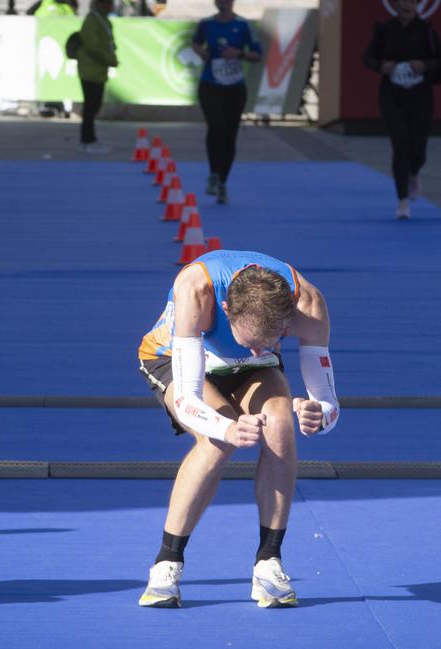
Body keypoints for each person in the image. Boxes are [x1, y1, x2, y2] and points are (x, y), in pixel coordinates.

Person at [136, 250, 339, 609]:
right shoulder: (195, 289)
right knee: (217, 442)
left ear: (286, 320)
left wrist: (317, 415)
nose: (261, 348)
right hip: (177, 357)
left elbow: (327, 402)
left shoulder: (307, 303)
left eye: (273, 340)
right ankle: (167, 562)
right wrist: (227, 429)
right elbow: (187, 399)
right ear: (227, 309)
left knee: (280, 425)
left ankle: (269, 562)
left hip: (250, 368)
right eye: (251, 342)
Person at [363, 0, 441, 220]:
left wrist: (425, 65)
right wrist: (380, 66)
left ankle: (413, 173)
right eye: (402, 2)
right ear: (395, 5)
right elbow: (367, 57)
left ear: (416, 6)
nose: (406, 6)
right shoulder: (385, 30)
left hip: (420, 95)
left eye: (411, 2)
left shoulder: (427, 31)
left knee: (418, 148)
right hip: (392, 95)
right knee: (400, 144)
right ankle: (402, 201)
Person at [191, 0, 261, 205]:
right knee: (216, 126)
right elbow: (195, 42)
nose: (222, 2)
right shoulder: (206, 24)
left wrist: (239, 54)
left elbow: (257, 54)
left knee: (230, 134)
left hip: (235, 88)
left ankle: (222, 182)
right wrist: (201, 52)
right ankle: (213, 172)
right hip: (210, 85)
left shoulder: (243, 25)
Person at [75, 0, 117, 153]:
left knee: (95, 105)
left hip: (98, 70)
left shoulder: (103, 20)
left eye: (109, 4)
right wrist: (109, 59)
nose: (108, 6)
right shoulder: (92, 21)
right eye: (105, 4)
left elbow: (107, 42)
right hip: (90, 69)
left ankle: (90, 138)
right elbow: (92, 46)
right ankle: (87, 140)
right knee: (91, 106)